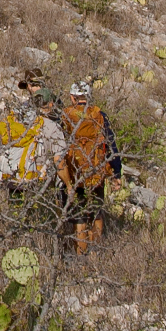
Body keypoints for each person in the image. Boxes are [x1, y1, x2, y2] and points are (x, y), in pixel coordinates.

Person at [59, 81, 121, 254]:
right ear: (88, 97)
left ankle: (81, 258)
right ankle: (96, 255)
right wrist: (117, 173)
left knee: (79, 218)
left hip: (74, 173)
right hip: (96, 173)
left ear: (72, 97)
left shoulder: (66, 115)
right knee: (96, 213)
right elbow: (111, 145)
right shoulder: (99, 115)